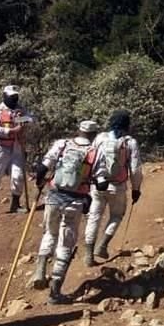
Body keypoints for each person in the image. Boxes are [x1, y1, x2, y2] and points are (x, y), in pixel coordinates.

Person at [31, 120, 101, 304]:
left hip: (54, 196)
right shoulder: (94, 152)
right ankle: (55, 292)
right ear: (93, 134)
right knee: (66, 243)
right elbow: (101, 181)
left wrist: (39, 182)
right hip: (75, 201)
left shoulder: (62, 144)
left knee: (50, 233)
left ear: (78, 130)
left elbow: (43, 167)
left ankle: (40, 269)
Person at [85, 110, 144, 265]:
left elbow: (89, 159)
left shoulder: (100, 138)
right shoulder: (130, 142)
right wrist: (136, 189)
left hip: (97, 185)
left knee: (94, 217)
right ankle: (103, 245)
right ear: (127, 124)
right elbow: (135, 169)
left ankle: (89, 255)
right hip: (118, 187)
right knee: (117, 216)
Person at [0, 85, 34, 217]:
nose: (14, 99)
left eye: (16, 96)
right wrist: (12, 130)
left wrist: (19, 119)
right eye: (11, 96)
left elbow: (31, 119)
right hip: (0, 147)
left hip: (17, 147)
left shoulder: (21, 109)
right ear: (5, 96)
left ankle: (15, 204)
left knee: (18, 175)